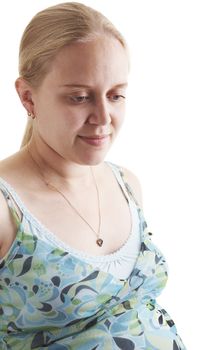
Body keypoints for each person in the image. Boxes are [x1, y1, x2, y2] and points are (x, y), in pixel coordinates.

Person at [0, 2, 186, 349]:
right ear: (27, 97)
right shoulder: (5, 207)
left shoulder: (127, 184)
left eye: (116, 95)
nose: (103, 117)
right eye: (80, 97)